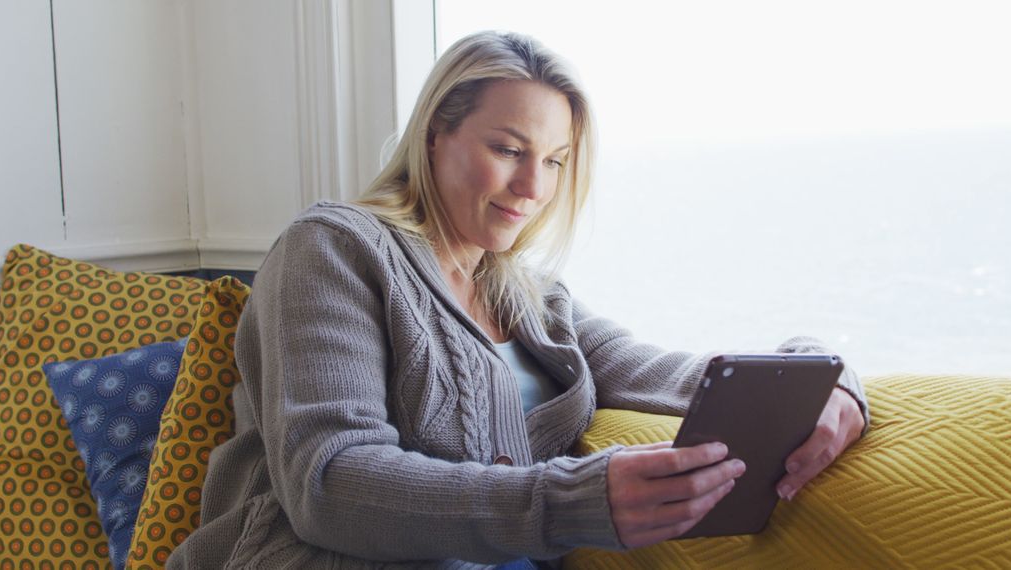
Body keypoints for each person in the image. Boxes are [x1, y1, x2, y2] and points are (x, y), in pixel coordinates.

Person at [168, 30, 868, 569]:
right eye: (509, 148)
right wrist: (572, 500)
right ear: (436, 133)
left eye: (556, 161)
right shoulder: (334, 249)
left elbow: (683, 376)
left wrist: (828, 379)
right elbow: (329, 482)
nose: (534, 186)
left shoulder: (537, 301)